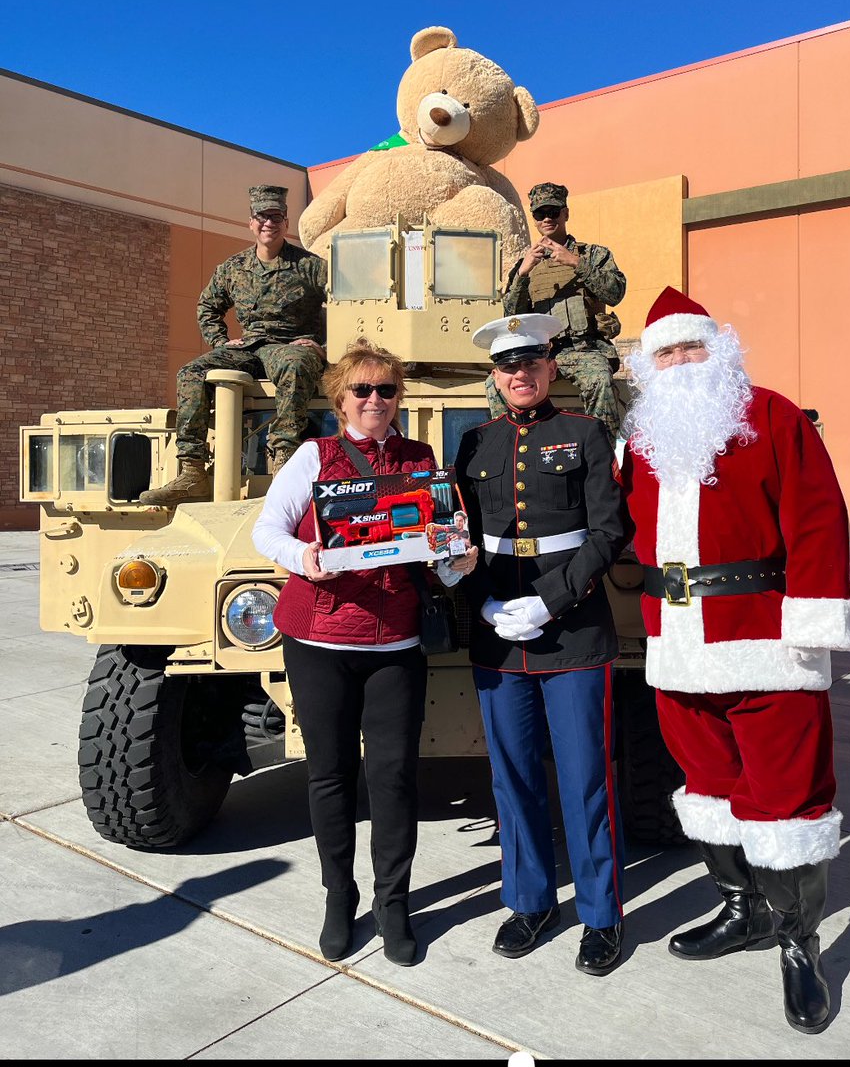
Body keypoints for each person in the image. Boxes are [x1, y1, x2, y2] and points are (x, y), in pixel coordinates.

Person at [619, 286, 850, 1034]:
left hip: (765, 643)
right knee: (709, 788)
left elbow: (818, 519)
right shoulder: (641, 439)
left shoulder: (771, 416)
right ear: (647, 368)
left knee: (786, 798)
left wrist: (810, 622)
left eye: (692, 347)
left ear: (718, 349)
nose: (682, 362)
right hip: (679, 650)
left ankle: (798, 944)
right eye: (666, 352)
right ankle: (741, 908)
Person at [251, 339, 478, 966]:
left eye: (387, 389)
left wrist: (457, 563)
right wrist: (304, 557)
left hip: (395, 640)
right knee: (329, 774)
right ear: (341, 399)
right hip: (320, 638)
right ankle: (336, 896)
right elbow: (265, 529)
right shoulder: (313, 457)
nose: (375, 400)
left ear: (399, 397)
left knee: (394, 777)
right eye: (363, 390)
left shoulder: (421, 458)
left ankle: (394, 903)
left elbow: (438, 554)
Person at [456, 313, 629, 976]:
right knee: (512, 778)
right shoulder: (473, 444)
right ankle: (529, 901)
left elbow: (606, 532)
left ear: (550, 367)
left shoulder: (583, 434)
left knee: (587, 780)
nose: (519, 374)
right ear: (494, 378)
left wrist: (550, 599)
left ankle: (601, 915)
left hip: (573, 634)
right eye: (507, 367)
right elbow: (452, 538)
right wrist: (486, 603)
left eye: (531, 362)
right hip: (500, 637)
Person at [140, 185, 327, 505]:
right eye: (262, 216)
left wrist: (323, 344)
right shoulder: (233, 269)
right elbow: (207, 307)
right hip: (249, 346)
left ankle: (283, 462)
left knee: (296, 364)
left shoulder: (310, 266)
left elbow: (347, 303)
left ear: (286, 221)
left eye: (276, 216)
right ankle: (193, 471)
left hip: (289, 345)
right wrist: (221, 342)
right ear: (250, 222)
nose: (269, 223)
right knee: (191, 371)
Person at [485, 182, 626, 446]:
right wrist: (523, 275)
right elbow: (512, 318)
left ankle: (603, 453)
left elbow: (615, 292)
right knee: (494, 385)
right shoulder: (525, 264)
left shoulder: (593, 255)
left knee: (599, 378)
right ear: (535, 219)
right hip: (540, 353)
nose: (547, 218)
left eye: (553, 211)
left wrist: (577, 263)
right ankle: (510, 447)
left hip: (584, 349)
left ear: (565, 213)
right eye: (540, 213)